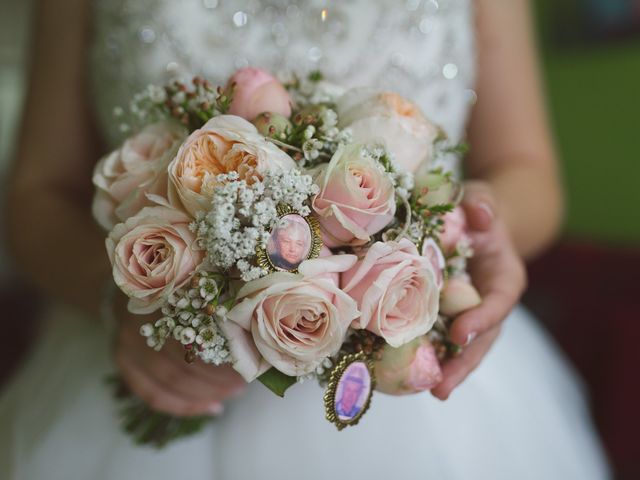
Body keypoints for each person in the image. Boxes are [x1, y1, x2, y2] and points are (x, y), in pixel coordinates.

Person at [0, 0, 611, 479]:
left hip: (411, 395)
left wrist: (473, 227)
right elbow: (36, 193)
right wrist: (118, 303)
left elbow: (527, 169)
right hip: (145, 373)